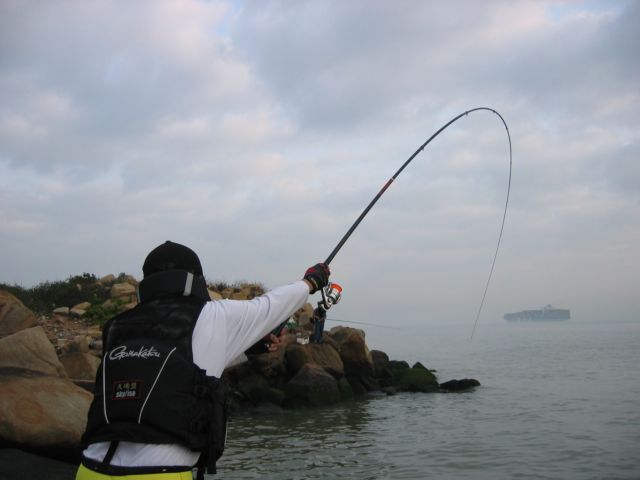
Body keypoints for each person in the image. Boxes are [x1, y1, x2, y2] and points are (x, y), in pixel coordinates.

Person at [76, 240, 330, 480]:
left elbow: (181, 366)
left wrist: (253, 347)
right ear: (196, 279)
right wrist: (310, 282)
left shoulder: (116, 326)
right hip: (159, 474)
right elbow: (268, 306)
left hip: (89, 469)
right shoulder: (212, 314)